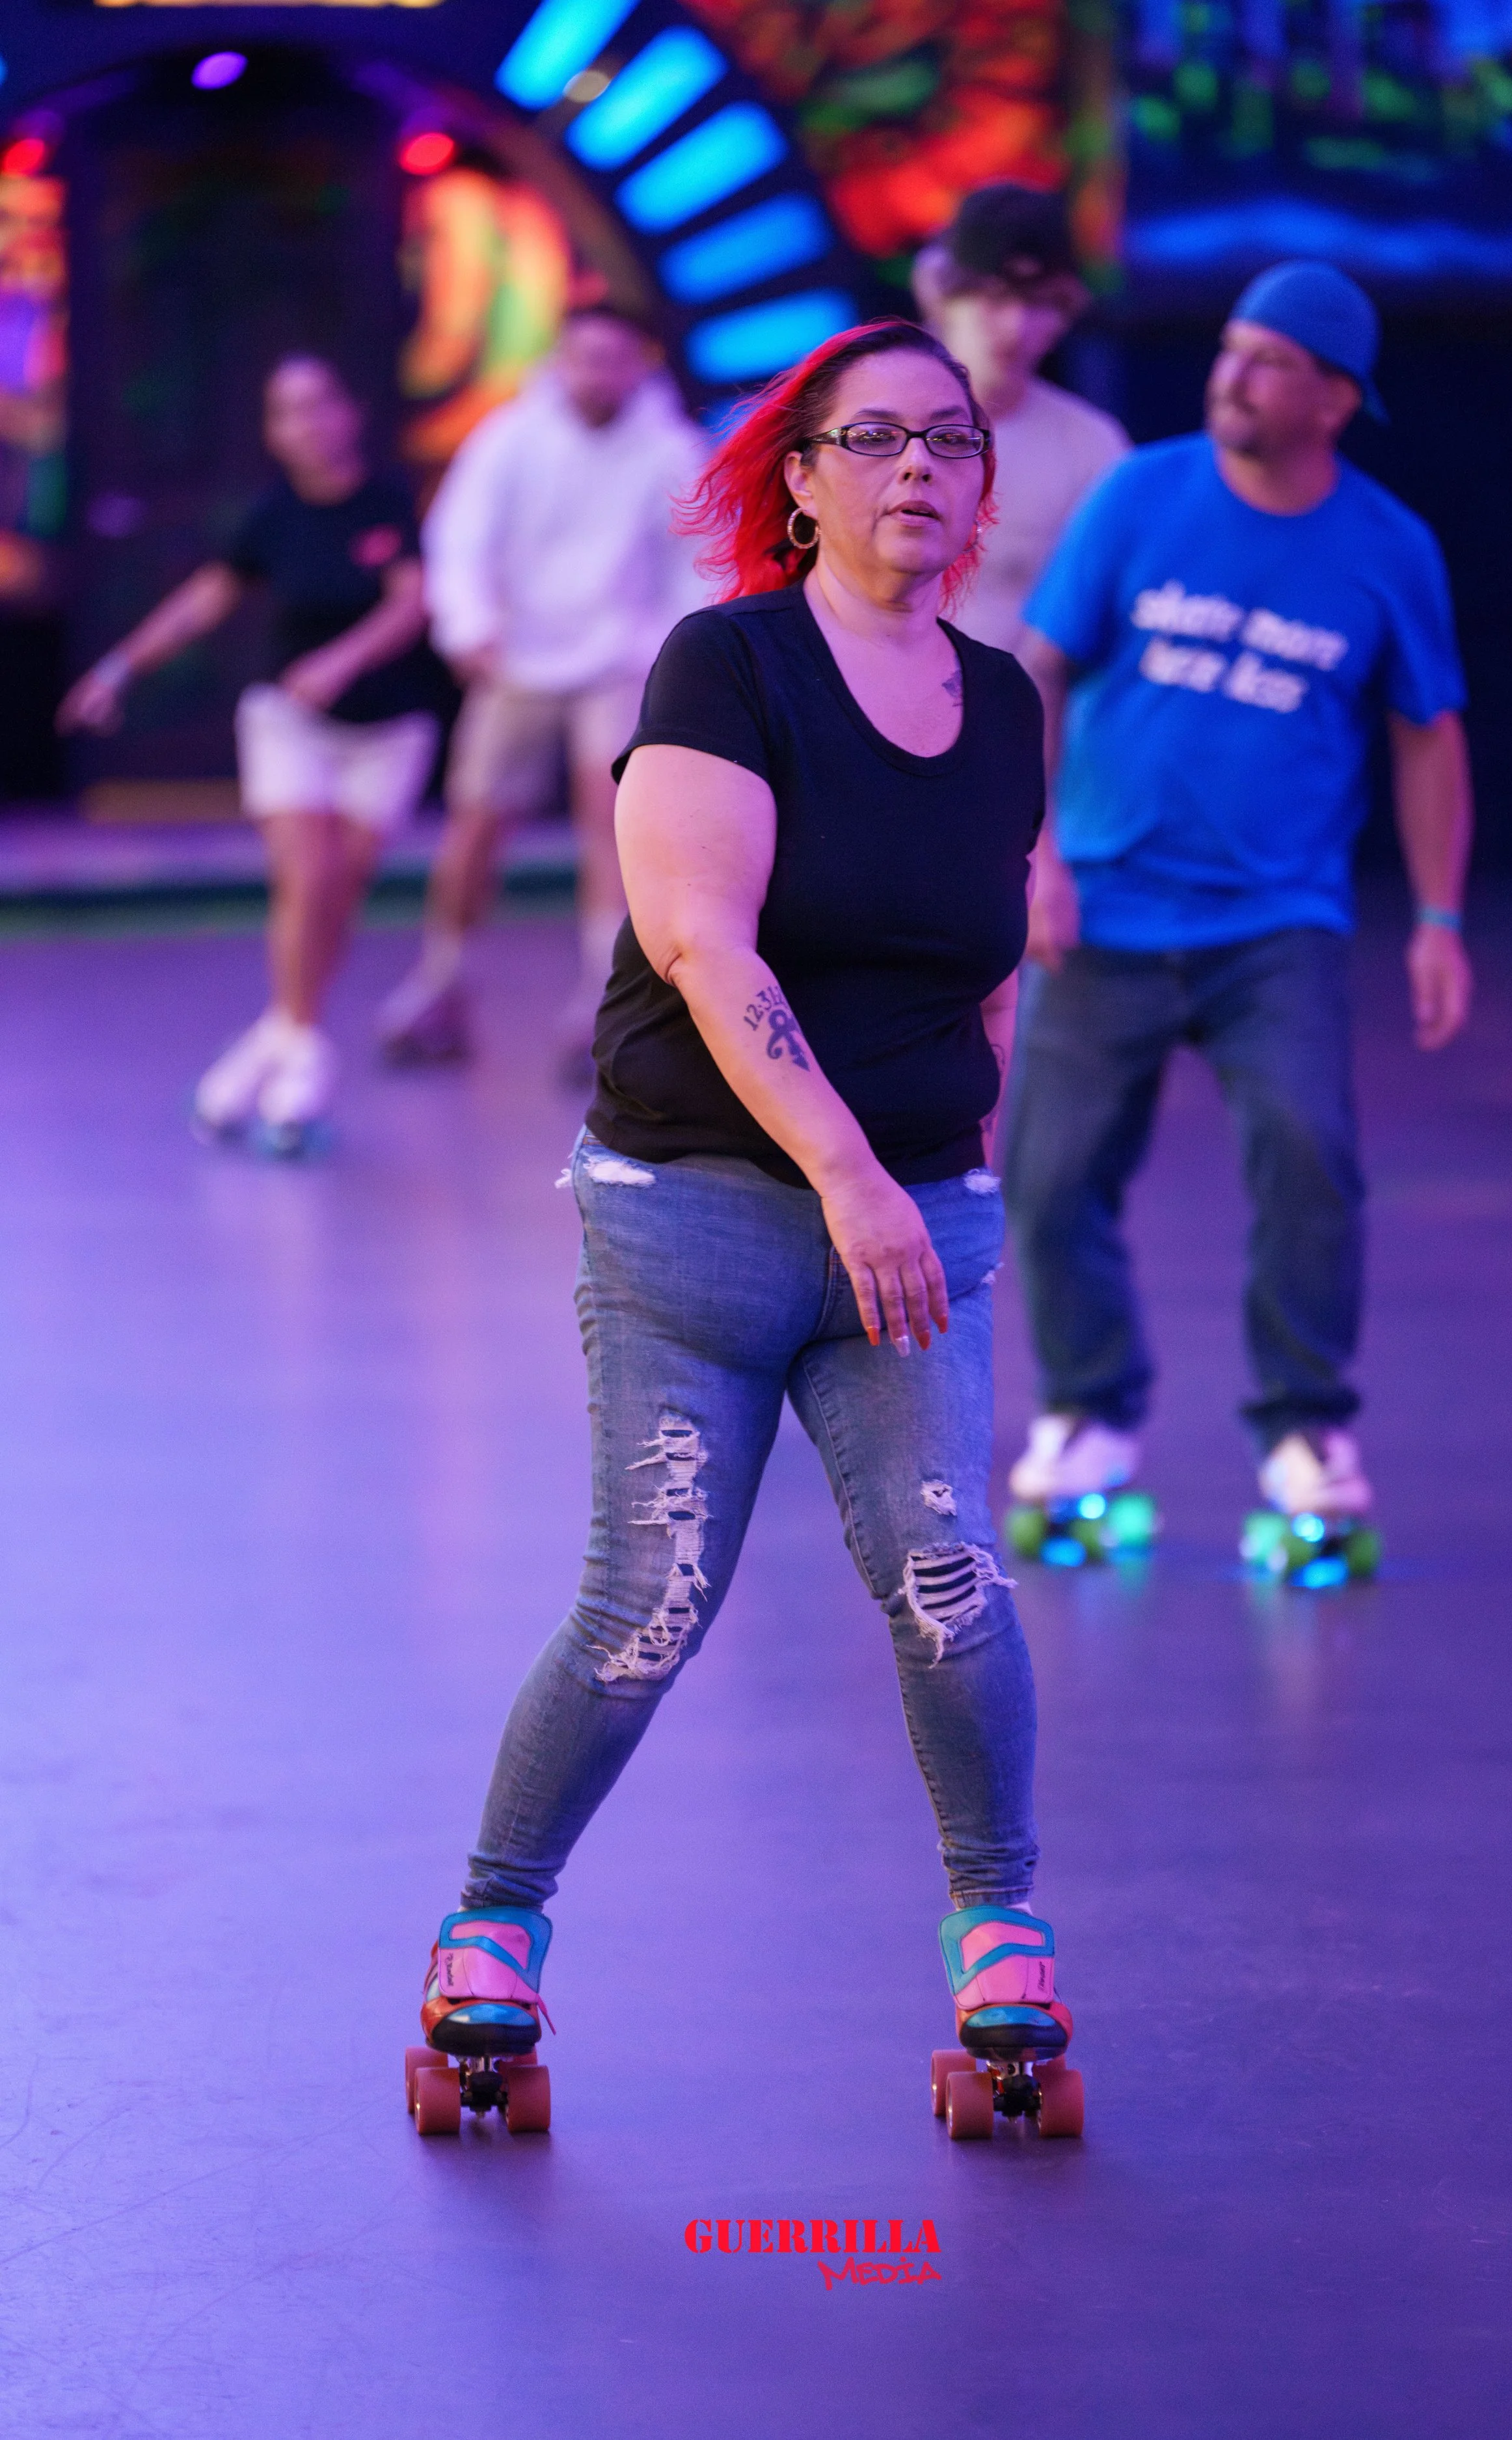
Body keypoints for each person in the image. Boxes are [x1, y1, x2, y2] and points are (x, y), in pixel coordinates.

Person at [405, 319, 1080, 2141]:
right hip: (697, 1214)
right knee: (648, 1604)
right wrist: (856, 1178)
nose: (916, 469)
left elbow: (990, 966)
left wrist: (956, 1167)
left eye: (947, 439)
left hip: (912, 1223)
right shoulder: (728, 664)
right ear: (798, 477)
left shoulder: (1006, 697)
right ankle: (492, 1921)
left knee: (951, 1586)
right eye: (869, 438)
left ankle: (997, 1922)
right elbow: (708, 946)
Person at [1006, 260, 1474, 1526]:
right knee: (1047, 1175)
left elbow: (1427, 734)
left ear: (1332, 397)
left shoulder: (1386, 548)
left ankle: (1303, 1426)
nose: (1231, 377)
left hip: (1275, 923)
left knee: (1308, 1153)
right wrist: (1036, 857)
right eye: (1227, 350)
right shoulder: (1138, 497)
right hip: (1103, 902)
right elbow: (1035, 672)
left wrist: (1435, 918)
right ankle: (1089, 1410)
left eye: (1267, 361)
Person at [58, 355, 440, 1148]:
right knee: (309, 876)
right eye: (285, 412)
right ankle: (301, 1058)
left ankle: (269, 1046)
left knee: (339, 894)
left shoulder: (389, 502)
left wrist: (345, 659)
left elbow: (414, 602)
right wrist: (119, 668)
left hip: (388, 730)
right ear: (272, 431)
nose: (305, 425)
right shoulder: (269, 518)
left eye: (317, 406)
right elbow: (205, 599)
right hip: (288, 722)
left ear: (349, 414)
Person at [377, 305, 707, 1079]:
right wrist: (469, 626)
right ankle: (442, 982)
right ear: (562, 360)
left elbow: (697, 560)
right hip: (516, 658)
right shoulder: (510, 439)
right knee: (477, 825)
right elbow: (460, 538)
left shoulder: (670, 450)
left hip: (621, 660)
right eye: (585, 358)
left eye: (614, 359)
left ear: (638, 363)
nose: (598, 375)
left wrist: (667, 652)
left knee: (615, 827)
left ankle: (604, 999)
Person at [913, 183, 1128, 653]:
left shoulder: (1093, 447)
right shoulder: (869, 426)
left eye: (1038, 304)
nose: (1016, 326)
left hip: (1017, 719)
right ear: (941, 295)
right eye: (994, 298)